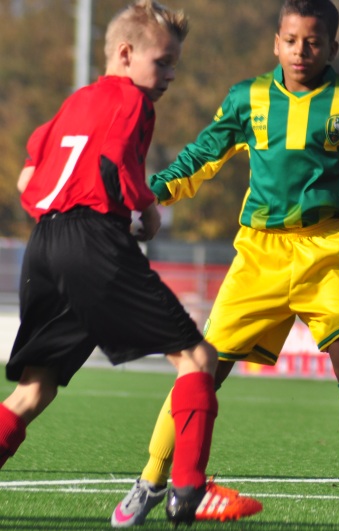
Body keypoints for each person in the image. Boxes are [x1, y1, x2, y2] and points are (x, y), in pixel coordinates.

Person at [110, 1, 339, 530]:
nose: (301, 51)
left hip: (328, 250)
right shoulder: (247, 97)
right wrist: (149, 193)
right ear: (276, 42)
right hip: (260, 255)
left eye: (313, 42)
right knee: (201, 369)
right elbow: (199, 157)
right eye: (291, 40)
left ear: (332, 48)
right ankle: (151, 478)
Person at [0, 0, 262, 527]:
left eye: (173, 65)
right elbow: (117, 157)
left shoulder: (72, 104)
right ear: (125, 53)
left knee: (34, 388)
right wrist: (145, 208)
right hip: (92, 238)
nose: (168, 75)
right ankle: (189, 491)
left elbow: (28, 179)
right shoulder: (132, 101)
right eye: (163, 62)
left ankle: (186, 487)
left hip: (45, 243)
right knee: (197, 359)